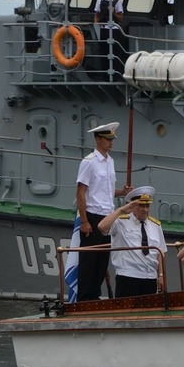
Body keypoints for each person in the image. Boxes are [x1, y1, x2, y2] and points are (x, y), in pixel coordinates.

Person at [75, 121, 131, 300]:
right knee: (88, 261)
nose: (111, 142)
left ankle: (95, 296)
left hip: (108, 217)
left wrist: (121, 192)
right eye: (107, 139)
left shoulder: (110, 162)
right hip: (92, 216)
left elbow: (105, 189)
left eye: (112, 139)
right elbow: (81, 192)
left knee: (101, 261)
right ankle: (84, 299)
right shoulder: (89, 162)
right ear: (98, 139)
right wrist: (84, 221)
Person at [98, 186, 167, 297]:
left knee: (148, 312)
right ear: (132, 205)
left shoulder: (155, 225)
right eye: (141, 206)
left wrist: (161, 275)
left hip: (150, 277)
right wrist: (120, 210)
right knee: (125, 313)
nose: (145, 210)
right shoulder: (121, 221)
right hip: (128, 277)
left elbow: (160, 252)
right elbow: (102, 227)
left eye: (147, 206)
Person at [94, 0, 127, 76]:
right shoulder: (100, 1)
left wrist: (113, 12)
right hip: (103, 29)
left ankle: (115, 75)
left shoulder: (117, 2)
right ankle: (105, 74)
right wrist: (96, 23)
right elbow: (97, 14)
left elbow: (121, 18)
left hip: (114, 30)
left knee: (115, 53)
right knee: (104, 52)